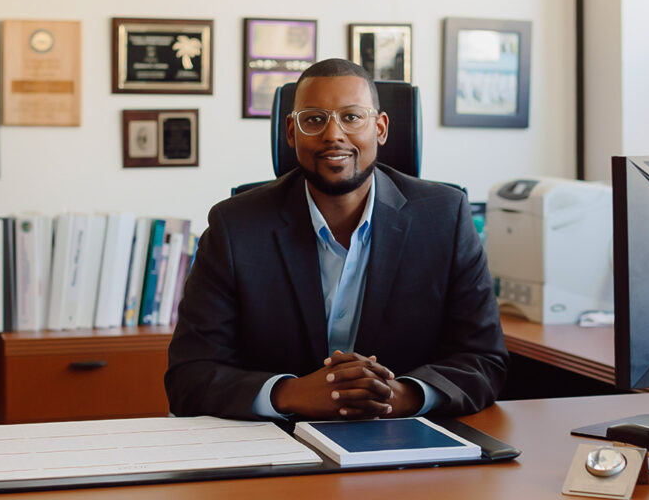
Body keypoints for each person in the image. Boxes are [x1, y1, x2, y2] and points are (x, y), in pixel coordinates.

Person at [166, 58, 507, 421]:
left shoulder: (445, 218)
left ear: (380, 128)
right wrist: (290, 393)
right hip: (278, 446)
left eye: (352, 117)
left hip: (404, 441)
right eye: (314, 119)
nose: (333, 135)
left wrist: (402, 395)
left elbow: (484, 360)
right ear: (291, 132)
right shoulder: (235, 226)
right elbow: (190, 375)